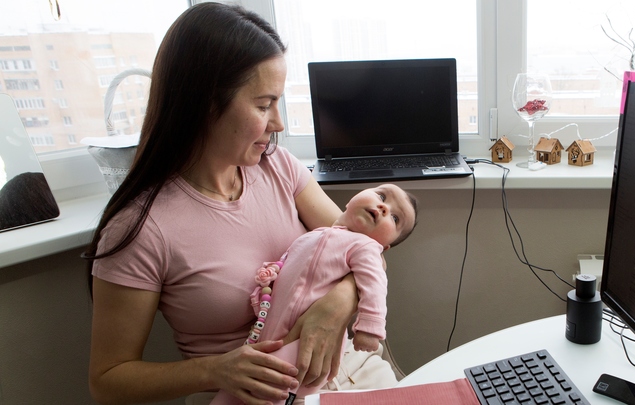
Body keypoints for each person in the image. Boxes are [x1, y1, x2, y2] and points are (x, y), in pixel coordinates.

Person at [84, 3, 396, 405]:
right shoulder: (142, 229)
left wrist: (338, 305)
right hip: (246, 396)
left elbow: (368, 250)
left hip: (350, 372)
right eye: (264, 104)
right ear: (205, 103)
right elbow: (108, 380)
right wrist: (215, 369)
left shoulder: (279, 168)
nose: (278, 123)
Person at [212, 184, 418, 404]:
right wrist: (269, 276)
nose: (384, 207)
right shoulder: (313, 235)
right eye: (381, 195)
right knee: (239, 388)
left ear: (384, 246)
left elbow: (375, 284)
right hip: (271, 330)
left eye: (396, 218)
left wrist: (370, 328)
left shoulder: (365, 246)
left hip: (305, 342)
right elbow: (288, 263)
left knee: (274, 387)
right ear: (350, 201)